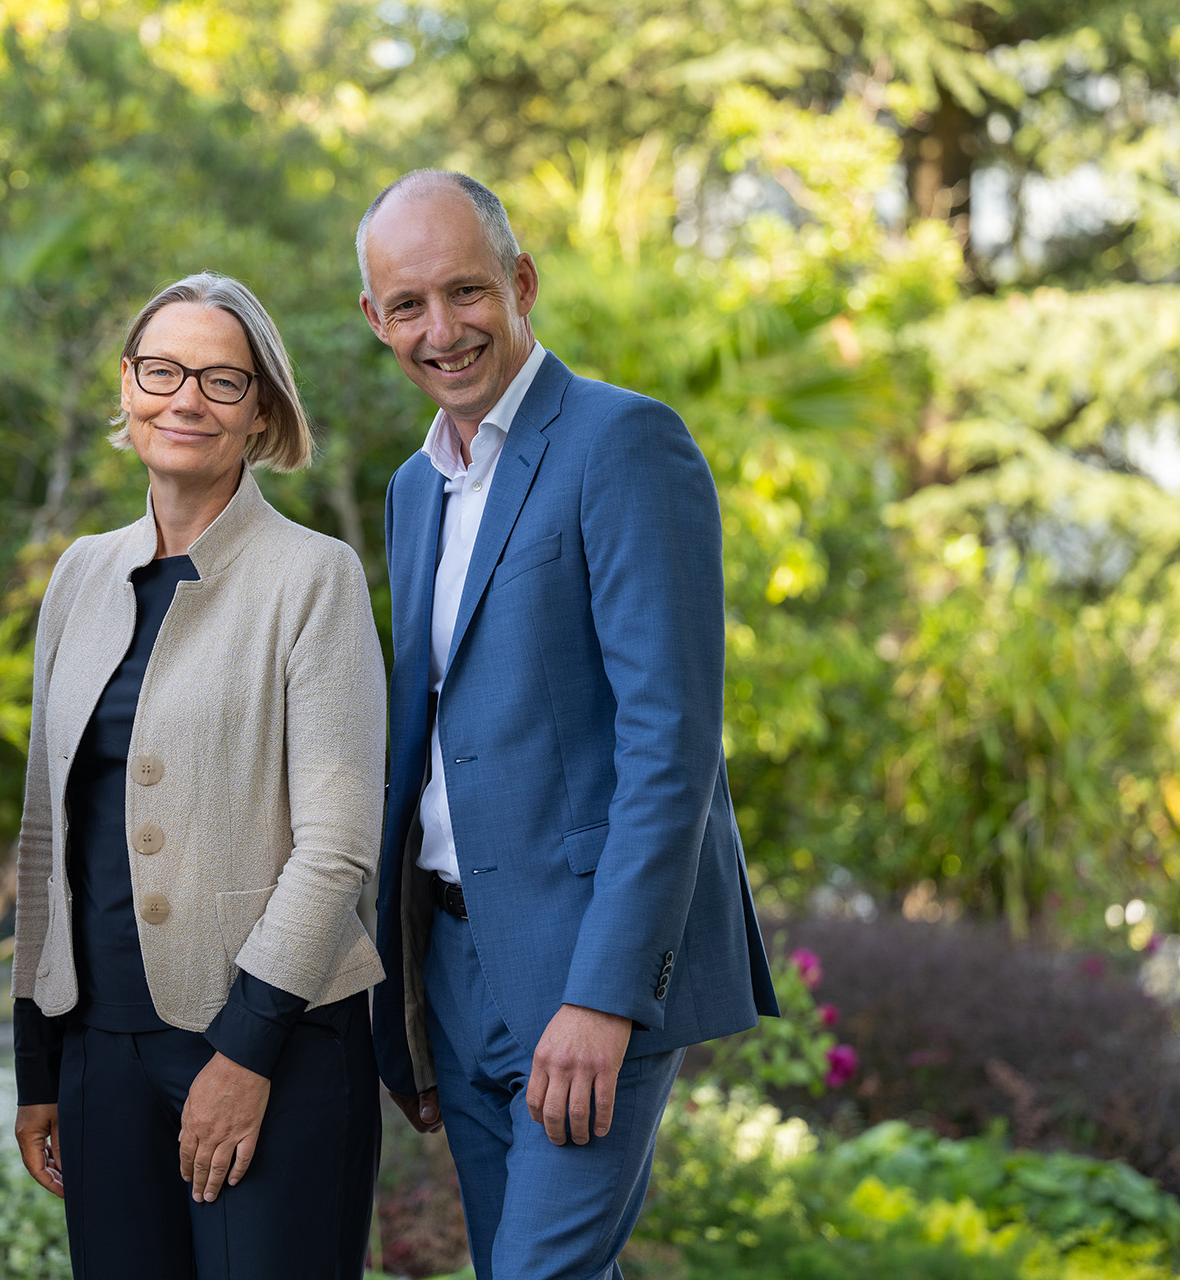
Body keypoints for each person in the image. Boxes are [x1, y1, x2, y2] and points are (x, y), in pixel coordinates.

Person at [358, 171, 781, 1279]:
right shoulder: (412, 490)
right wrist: (401, 990)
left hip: (585, 967)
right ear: (375, 320)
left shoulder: (624, 443)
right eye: (408, 306)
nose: (441, 330)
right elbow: (426, 744)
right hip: (449, 967)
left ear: (522, 281)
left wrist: (603, 995)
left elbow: (670, 745)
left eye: (465, 291)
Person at [10, 272, 386, 1280]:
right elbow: (48, 829)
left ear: (262, 406)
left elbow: (341, 841)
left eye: (222, 379)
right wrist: (40, 1058)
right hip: (100, 1050)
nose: (186, 400)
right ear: (127, 386)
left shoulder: (314, 577)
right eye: (162, 370)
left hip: (275, 1047)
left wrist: (246, 1048)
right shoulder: (81, 573)